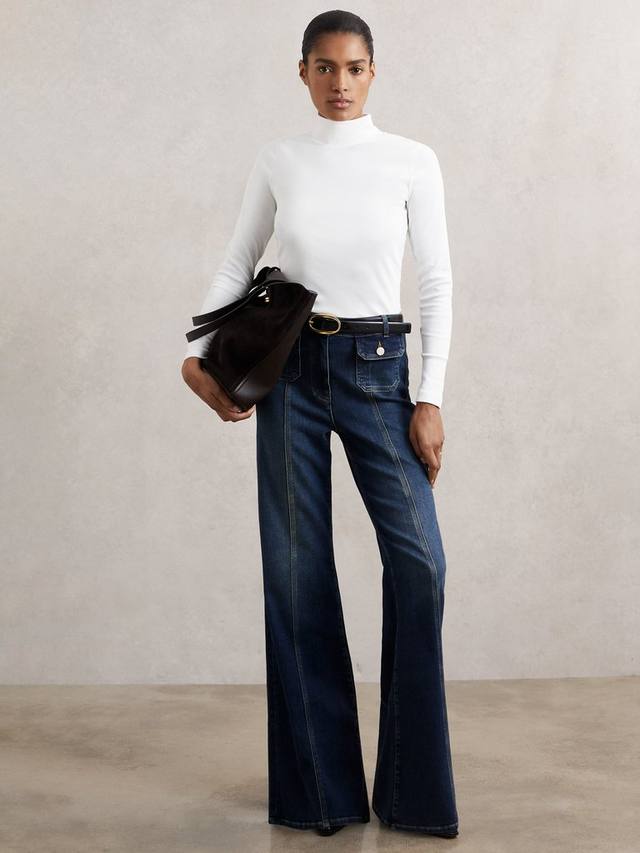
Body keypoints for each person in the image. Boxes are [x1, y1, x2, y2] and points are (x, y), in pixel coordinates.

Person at [181, 10, 459, 840]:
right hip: (291, 373)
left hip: (379, 368)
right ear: (302, 71)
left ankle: (410, 792)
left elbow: (437, 281)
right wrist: (197, 359)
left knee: (422, 565)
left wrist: (431, 395)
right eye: (326, 67)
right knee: (296, 572)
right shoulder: (280, 158)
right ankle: (318, 793)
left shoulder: (411, 160)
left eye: (355, 67)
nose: (341, 82)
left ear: (375, 73)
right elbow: (238, 262)